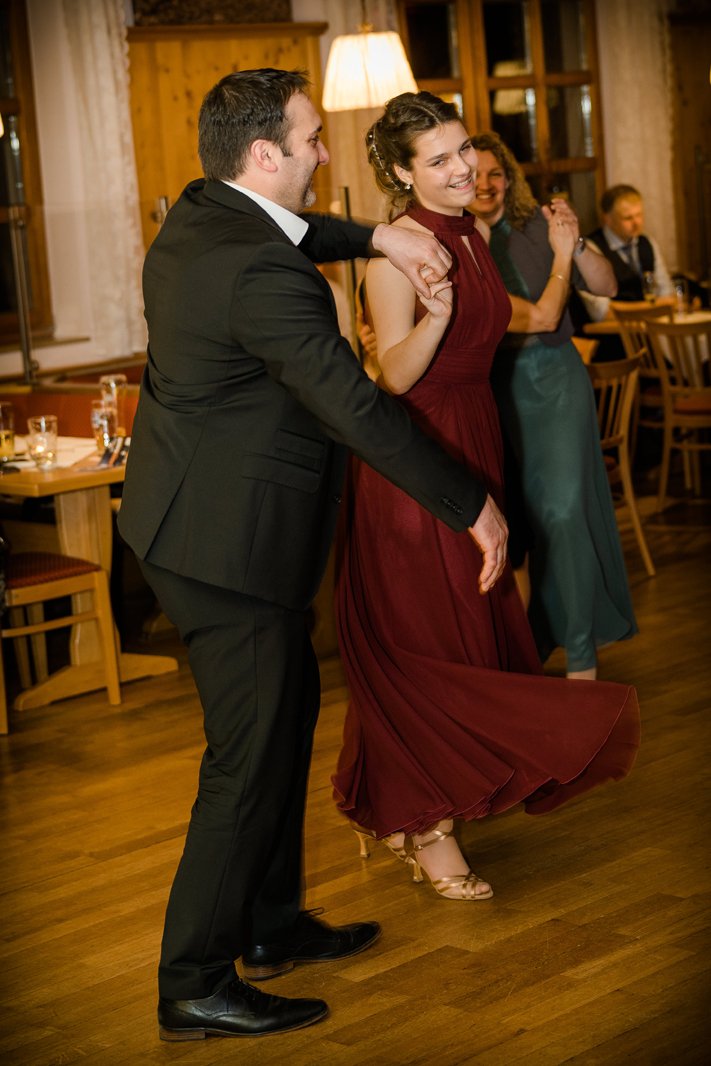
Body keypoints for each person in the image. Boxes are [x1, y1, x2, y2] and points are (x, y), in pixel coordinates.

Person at [117, 68, 510, 1042]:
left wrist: (378, 235)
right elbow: (356, 407)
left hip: (201, 517)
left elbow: (300, 230)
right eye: (311, 140)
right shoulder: (260, 270)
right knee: (246, 759)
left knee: (285, 723)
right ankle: (193, 981)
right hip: (225, 543)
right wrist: (468, 502)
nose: (327, 152)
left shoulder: (204, 214)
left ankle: (271, 924)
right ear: (266, 154)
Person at [332, 93, 640, 904]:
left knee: (463, 636)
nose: (463, 167)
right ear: (402, 174)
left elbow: (533, 316)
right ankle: (428, 828)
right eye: (438, 160)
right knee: (429, 641)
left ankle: (397, 806)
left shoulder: (471, 236)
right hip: (416, 462)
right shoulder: (394, 255)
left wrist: (566, 254)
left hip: (473, 441)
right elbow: (390, 376)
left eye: (463, 148)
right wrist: (433, 320)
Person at [469, 131, 638, 679]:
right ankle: (531, 646)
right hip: (490, 387)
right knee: (520, 520)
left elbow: (607, 287)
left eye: (496, 174)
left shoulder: (540, 225)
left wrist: (576, 242)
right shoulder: (459, 240)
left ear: (509, 178)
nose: (485, 184)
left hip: (555, 380)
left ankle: (582, 657)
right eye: (475, 174)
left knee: (564, 512)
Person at [576, 183, 674, 325]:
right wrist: (654, 307)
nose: (636, 223)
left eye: (639, 215)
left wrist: (661, 305)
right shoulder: (589, 250)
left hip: (650, 330)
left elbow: (667, 295)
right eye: (628, 218)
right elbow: (602, 313)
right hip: (612, 334)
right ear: (608, 219)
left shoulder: (647, 242)